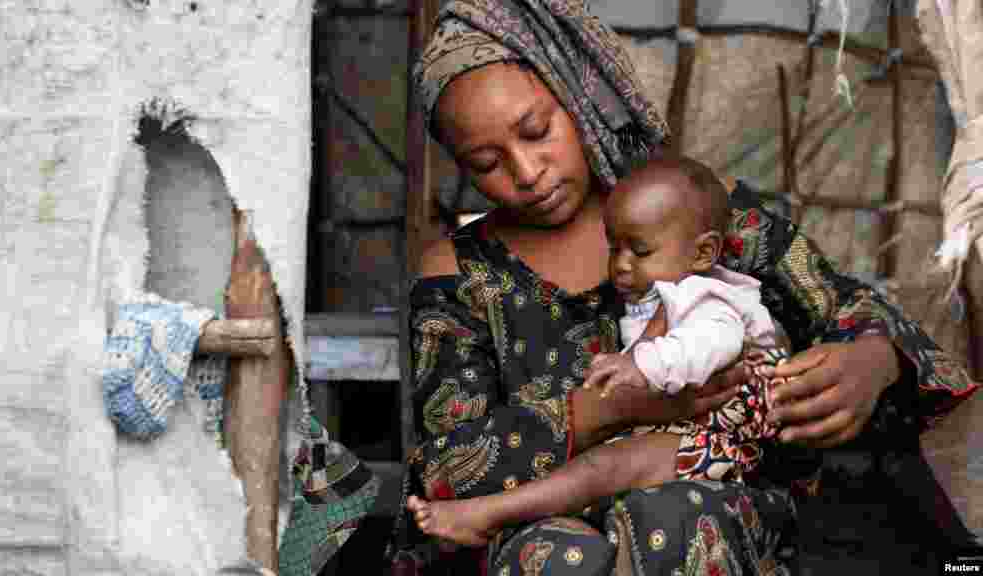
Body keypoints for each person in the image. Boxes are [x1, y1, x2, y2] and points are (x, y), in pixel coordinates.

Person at [387, 0, 980, 574]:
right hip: (533, 524)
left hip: (706, 502)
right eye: (487, 163)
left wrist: (872, 360)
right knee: (553, 556)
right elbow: (447, 465)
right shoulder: (458, 276)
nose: (527, 171)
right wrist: (612, 406)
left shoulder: (691, 210)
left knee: (674, 517)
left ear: (575, 91)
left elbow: (848, 307)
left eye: (537, 131)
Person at [405, 155, 792, 549]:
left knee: (598, 470)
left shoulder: (711, 296)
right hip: (685, 436)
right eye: (614, 249)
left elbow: (714, 344)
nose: (621, 266)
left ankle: (488, 514)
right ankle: (491, 513)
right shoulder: (667, 293)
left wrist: (642, 368)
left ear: (704, 252)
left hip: (720, 443)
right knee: (592, 474)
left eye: (639, 252)